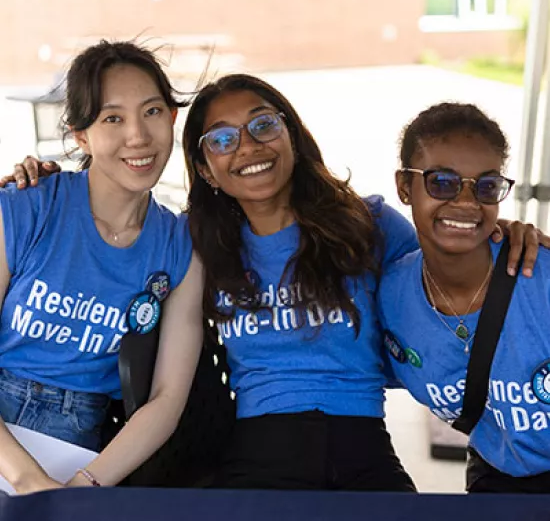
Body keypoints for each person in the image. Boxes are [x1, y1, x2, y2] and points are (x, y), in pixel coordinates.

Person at [8, 75, 545, 492]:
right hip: (260, 446)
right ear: (206, 166)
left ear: (291, 133)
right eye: (222, 139)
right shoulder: (201, 244)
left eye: (264, 125)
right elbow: (108, 226)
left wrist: (498, 235)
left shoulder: (369, 225)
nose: (248, 146)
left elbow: (442, 277)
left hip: (364, 444)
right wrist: (45, 178)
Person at [0, 40, 203, 494]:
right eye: (113, 118)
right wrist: (27, 478)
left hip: (78, 440)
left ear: (172, 117)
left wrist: (84, 486)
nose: (138, 136)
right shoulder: (25, 207)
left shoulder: (181, 249)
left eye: (152, 111)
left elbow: (166, 400)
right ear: (80, 135)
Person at [377, 102, 550, 493]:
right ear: (405, 187)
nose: (468, 203)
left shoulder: (540, 280)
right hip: (497, 475)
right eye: (442, 182)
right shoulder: (390, 298)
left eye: (486, 186)